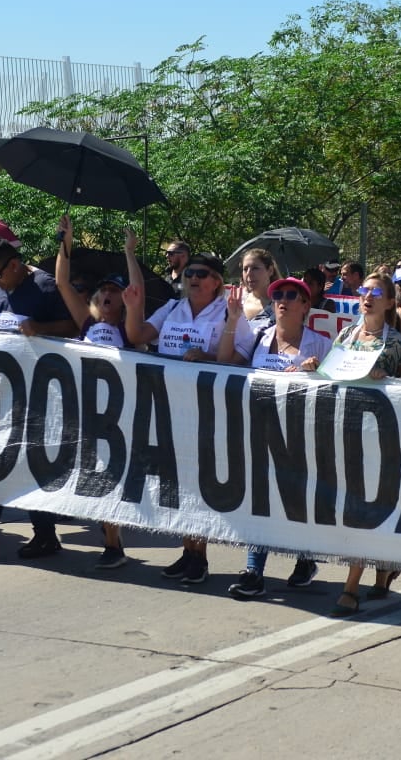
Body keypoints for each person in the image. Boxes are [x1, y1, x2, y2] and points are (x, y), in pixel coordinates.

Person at [123, 247, 256, 583]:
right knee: (178, 484)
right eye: (189, 274)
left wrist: (208, 351)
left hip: (209, 408)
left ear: (216, 282)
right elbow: (137, 336)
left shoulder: (231, 312)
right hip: (170, 404)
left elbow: (234, 363)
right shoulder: (171, 308)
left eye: (201, 274)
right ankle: (188, 551)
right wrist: (133, 307)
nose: (193, 279)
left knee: (200, 484)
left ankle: (202, 556)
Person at [0, 237, 77, 566]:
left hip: (38, 391)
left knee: (30, 463)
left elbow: (75, 326)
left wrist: (40, 328)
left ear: (15, 265)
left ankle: (42, 534)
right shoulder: (0, 288)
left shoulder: (46, 286)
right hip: (1, 390)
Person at [221, 277, 332, 600]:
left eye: (291, 295)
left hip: (303, 435)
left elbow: (340, 388)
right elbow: (226, 363)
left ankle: (306, 558)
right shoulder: (258, 336)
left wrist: (318, 371)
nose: (282, 301)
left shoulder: (322, 344)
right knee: (262, 499)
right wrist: (232, 320)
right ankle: (254, 570)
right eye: (277, 296)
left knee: (299, 500)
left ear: (306, 305)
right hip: (262, 430)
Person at [326, 271, 401, 617]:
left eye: (376, 292)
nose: (367, 296)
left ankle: (351, 586)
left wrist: (388, 379)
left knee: (366, 508)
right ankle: (384, 568)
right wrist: (311, 366)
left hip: (381, 436)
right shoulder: (347, 334)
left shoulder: (396, 343)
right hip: (347, 431)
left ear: (390, 302)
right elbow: (329, 373)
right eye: (364, 290)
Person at [57, 216, 129, 568]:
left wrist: (129, 253)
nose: (105, 295)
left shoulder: (130, 330)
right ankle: (112, 543)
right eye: (102, 291)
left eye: (113, 291)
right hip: (88, 410)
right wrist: (65, 242)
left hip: (121, 413)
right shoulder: (86, 324)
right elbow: (61, 281)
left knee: (116, 476)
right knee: (97, 477)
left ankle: (118, 536)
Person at [238, 248, 280, 333]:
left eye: (255, 268)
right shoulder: (237, 301)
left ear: (270, 271)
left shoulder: (283, 303)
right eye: (245, 269)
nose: (249, 273)